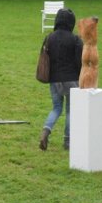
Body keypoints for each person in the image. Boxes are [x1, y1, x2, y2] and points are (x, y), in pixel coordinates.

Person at [39, 8, 83, 151]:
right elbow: (80, 62)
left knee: (56, 108)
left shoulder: (49, 38)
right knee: (71, 111)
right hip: (72, 79)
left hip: (54, 79)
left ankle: (46, 131)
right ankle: (67, 141)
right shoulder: (75, 39)